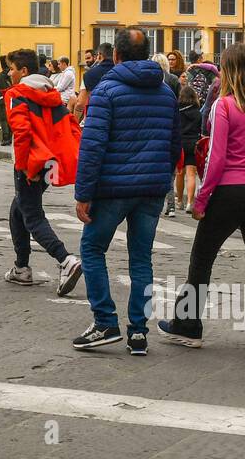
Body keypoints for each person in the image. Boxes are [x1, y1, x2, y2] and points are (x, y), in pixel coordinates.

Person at [157, 43, 245, 364]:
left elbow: (216, 158)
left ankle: (188, 326)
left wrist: (201, 199)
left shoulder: (224, 106)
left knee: (202, 259)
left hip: (230, 191)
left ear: (228, 72)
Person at [71, 28, 180, 356]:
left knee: (92, 249)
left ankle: (105, 322)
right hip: (151, 188)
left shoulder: (106, 90)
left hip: (113, 188)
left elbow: (92, 146)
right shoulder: (166, 92)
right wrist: (162, 177)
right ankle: (138, 332)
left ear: (116, 56)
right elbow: (174, 145)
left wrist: (83, 192)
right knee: (141, 258)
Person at [1, 48, 83, 297]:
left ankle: (65, 259)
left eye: (12, 69)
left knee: (32, 215)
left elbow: (22, 131)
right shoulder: (51, 94)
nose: (9, 73)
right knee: (18, 209)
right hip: (50, 160)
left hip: (32, 162)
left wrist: (24, 166)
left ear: (23, 71)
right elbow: (68, 125)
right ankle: (21, 268)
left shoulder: (16, 94)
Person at [172, 84, 202, 215]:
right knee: (191, 174)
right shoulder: (197, 112)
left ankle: (179, 201)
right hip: (194, 143)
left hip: (181, 142)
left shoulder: (178, 111)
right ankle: (190, 202)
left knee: (180, 173)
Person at [76, 41, 114, 121]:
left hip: (98, 116)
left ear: (99, 56)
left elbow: (80, 103)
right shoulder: (123, 69)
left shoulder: (89, 74)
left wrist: (75, 121)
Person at [0, 56, 13, 145]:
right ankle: (11, 137)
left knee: (3, 119)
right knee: (10, 118)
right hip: (11, 98)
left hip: (1, 98)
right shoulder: (12, 74)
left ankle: (5, 138)